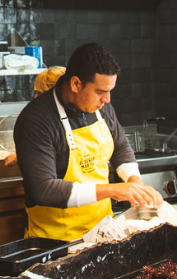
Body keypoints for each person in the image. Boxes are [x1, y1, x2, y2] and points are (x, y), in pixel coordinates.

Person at [14, 43, 163, 241]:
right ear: (76, 84)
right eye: (101, 92)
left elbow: (120, 147)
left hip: (102, 234)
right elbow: (44, 189)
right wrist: (113, 190)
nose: (107, 99)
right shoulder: (36, 119)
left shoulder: (101, 108)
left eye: (110, 91)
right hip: (56, 243)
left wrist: (135, 183)